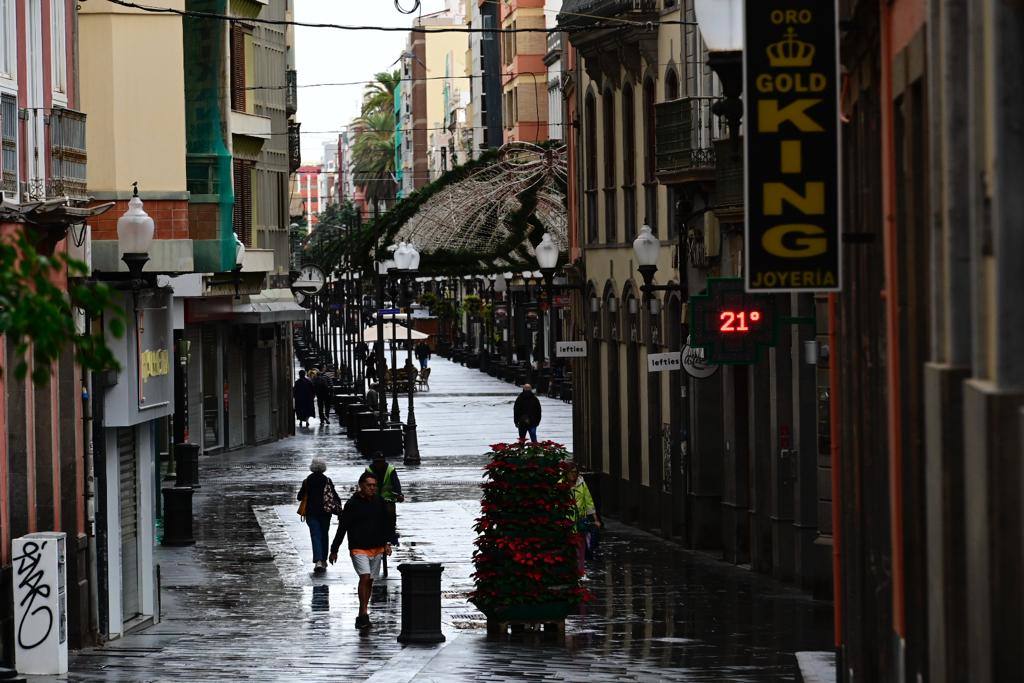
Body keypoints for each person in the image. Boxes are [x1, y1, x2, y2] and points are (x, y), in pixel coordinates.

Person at [329, 471, 395, 629]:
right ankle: (363, 611)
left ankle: (363, 612)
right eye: (369, 485)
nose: (372, 488)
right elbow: (343, 527)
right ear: (361, 486)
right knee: (364, 577)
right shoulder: (352, 504)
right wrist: (334, 549)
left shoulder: (379, 501)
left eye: (374, 485)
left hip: (377, 547)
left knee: (370, 579)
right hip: (358, 547)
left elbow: (386, 523)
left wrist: (387, 543)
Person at [297, 458, 340, 574]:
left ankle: (318, 561)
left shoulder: (307, 480)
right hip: (325, 513)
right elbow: (334, 496)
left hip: (311, 513)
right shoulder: (327, 480)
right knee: (324, 535)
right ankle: (323, 559)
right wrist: (339, 510)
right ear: (323, 467)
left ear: (312, 467)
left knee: (315, 535)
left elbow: (299, 496)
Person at [566, 463, 601, 576]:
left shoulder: (582, 484)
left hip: (580, 522)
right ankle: (571, 571)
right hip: (567, 522)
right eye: (571, 472)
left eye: (575, 472)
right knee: (569, 548)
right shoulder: (561, 485)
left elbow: (588, 501)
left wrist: (595, 519)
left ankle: (580, 572)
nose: (573, 474)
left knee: (581, 548)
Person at [366, 453, 404, 545]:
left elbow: (396, 483)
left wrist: (399, 494)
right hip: (374, 497)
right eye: (377, 462)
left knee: (391, 513)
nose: (379, 465)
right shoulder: (369, 470)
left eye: (381, 462)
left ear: (384, 462)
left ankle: (392, 534)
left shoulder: (390, 469)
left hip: (388, 498)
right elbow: (364, 484)